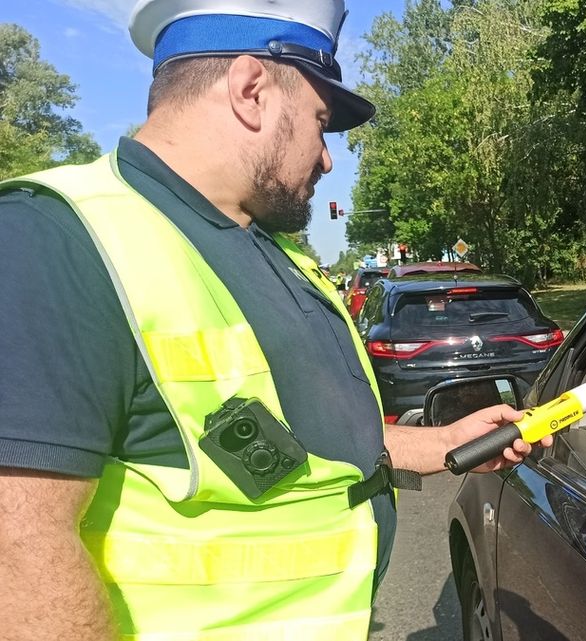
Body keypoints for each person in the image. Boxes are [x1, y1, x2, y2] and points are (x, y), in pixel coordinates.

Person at [0, 2, 549, 639]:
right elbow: (18, 549)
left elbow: (294, 450)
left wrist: (442, 443)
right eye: (320, 122)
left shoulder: (275, 253)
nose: (326, 159)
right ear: (252, 91)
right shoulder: (55, 240)